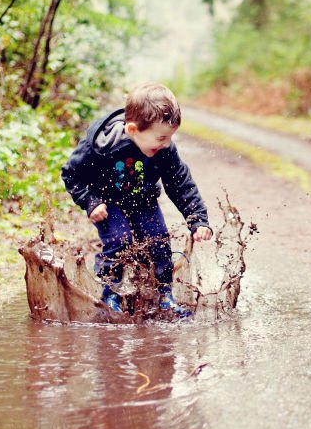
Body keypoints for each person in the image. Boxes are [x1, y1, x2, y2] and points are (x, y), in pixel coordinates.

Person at [61, 82, 212, 317]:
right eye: (161, 138)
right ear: (132, 130)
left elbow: (180, 183)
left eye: (170, 138)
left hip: (144, 201)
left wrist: (198, 220)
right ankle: (111, 294)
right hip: (108, 203)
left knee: (158, 241)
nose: (166, 144)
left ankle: (164, 295)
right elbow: (71, 174)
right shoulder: (102, 146)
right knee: (119, 241)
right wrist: (91, 201)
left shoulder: (164, 150)